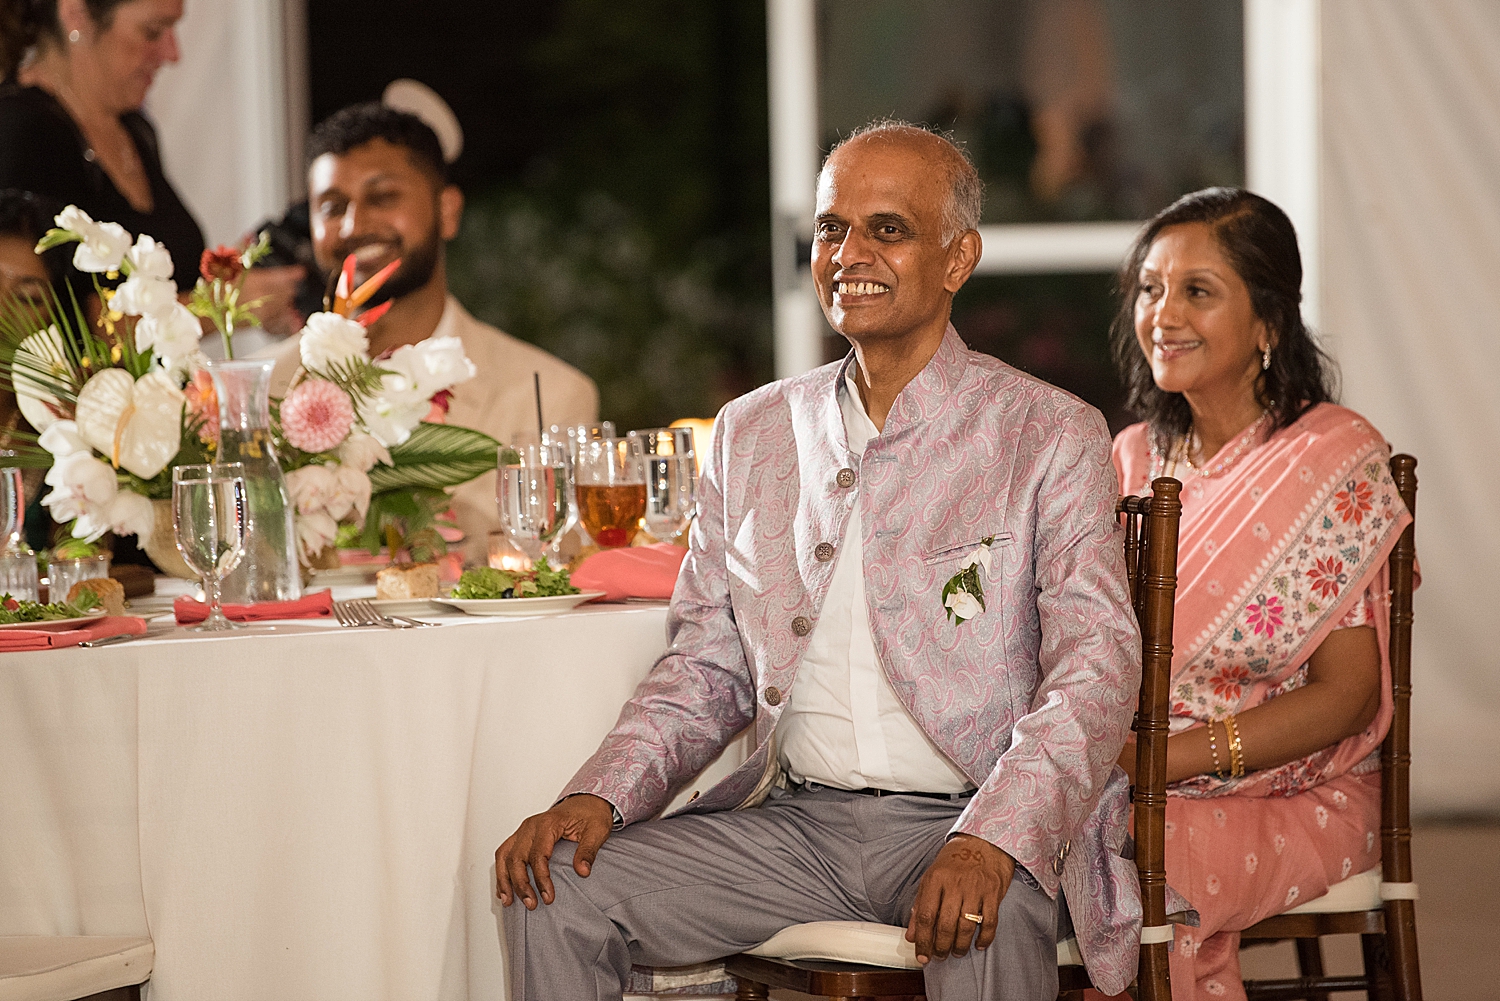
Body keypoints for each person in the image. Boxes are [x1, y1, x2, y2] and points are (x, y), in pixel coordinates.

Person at [496, 121, 1144, 1000]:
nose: (849, 253)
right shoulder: (754, 430)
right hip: (793, 826)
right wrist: (600, 795)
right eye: (833, 228)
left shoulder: (1045, 431)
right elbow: (706, 663)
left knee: (976, 912)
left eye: (888, 228)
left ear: (958, 259)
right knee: (552, 891)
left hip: (973, 817)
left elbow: (1097, 669)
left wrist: (995, 835)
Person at [1109, 187, 1413, 1000]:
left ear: (1269, 323)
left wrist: (1160, 761)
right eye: (1150, 287)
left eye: (1197, 291)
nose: (1163, 314)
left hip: (1306, 788)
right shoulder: (1133, 459)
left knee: (1125, 858)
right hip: (1126, 776)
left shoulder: (1333, 457)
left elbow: (1350, 696)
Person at [259, 103, 599, 565]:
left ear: (448, 211)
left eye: (383, 197)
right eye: (332, 206)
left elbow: (561, 577)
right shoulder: (267, 388)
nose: (354, 226)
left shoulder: (549, 395)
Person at [0, 0, 303, 333]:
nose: (173, 53)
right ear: (76, 15)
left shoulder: (134, 129)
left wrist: (237, 273)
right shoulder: (19, 130)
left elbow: (168, 284)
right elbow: (51, 324)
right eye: (153, 31)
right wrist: (220, 306)